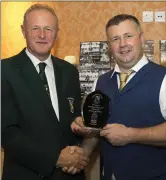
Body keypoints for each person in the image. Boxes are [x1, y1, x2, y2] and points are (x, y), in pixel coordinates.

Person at [71, 14, 166, 180]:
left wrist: (131, 135)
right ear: (110, 46)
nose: (123, 44)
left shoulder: (163, 78)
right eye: (115, 39)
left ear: (141, 38)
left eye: (128, 36)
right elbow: (95, 130)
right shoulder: (100, 82)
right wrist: (82, 153)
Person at [1, 4, 89, 180]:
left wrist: (78, 134)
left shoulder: (70, 71)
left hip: (70, 174)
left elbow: (74, 116)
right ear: (23, 31)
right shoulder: (4, 71)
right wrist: (55, 159)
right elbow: (6, 133)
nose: (42, 35)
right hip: (26, 174)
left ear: (56, 33)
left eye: (48, 29)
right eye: (35, 28)